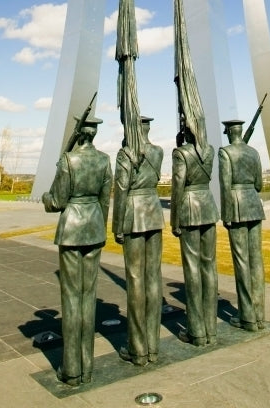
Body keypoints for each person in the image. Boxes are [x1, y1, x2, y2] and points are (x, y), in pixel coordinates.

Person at [42, 115, 112, 387]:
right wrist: (100, 227)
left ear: (79, 133)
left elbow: (58, 200)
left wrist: (47, 200)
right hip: (94, 226)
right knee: (88, 295)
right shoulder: (104, 160)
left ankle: (72, 369)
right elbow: (106, 200)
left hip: (72, 229)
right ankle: (88, 365)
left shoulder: (69, 160)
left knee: (72, 298)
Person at [113, 116, 164, 367]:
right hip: (154, 214)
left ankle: (138, 348)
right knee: (154, 278)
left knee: (135, 280)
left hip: (133, 215)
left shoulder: (125, 154)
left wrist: (117, 226)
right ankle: (153, 347)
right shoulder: (158, 152)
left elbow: (121, 190)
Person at [170, 126, 218, 346]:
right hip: (208, 207)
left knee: (192, 268)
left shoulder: (181, 153)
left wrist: (174, 218)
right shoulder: (210, 150)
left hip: (190, 209)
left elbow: (179, 184)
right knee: (209, 266)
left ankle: (196, 331)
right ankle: (211, 328)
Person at [218, 119, 266, 331]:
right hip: (254, 205)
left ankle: (247, 316)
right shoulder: (254, 152)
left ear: (229, 132)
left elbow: (225, 185)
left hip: (237, 207)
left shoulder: (225, 153)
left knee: (242, 262)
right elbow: (259, 184)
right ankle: (259, 315)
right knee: (256, 260)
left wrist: (227, 214)